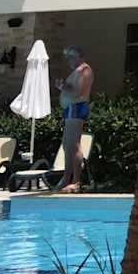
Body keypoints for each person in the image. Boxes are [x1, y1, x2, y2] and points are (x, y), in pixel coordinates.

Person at [58, 45, 94, 193]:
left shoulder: (84, 70)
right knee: (67, 145)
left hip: (77, 107)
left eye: (72, 56)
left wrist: (62, 86)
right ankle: (67, 178)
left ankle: (76, 182)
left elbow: (78, 92)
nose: (69, 60)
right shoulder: (77, 71)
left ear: (80, 56)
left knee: (73, 144)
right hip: (70, 109)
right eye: (68, 57)